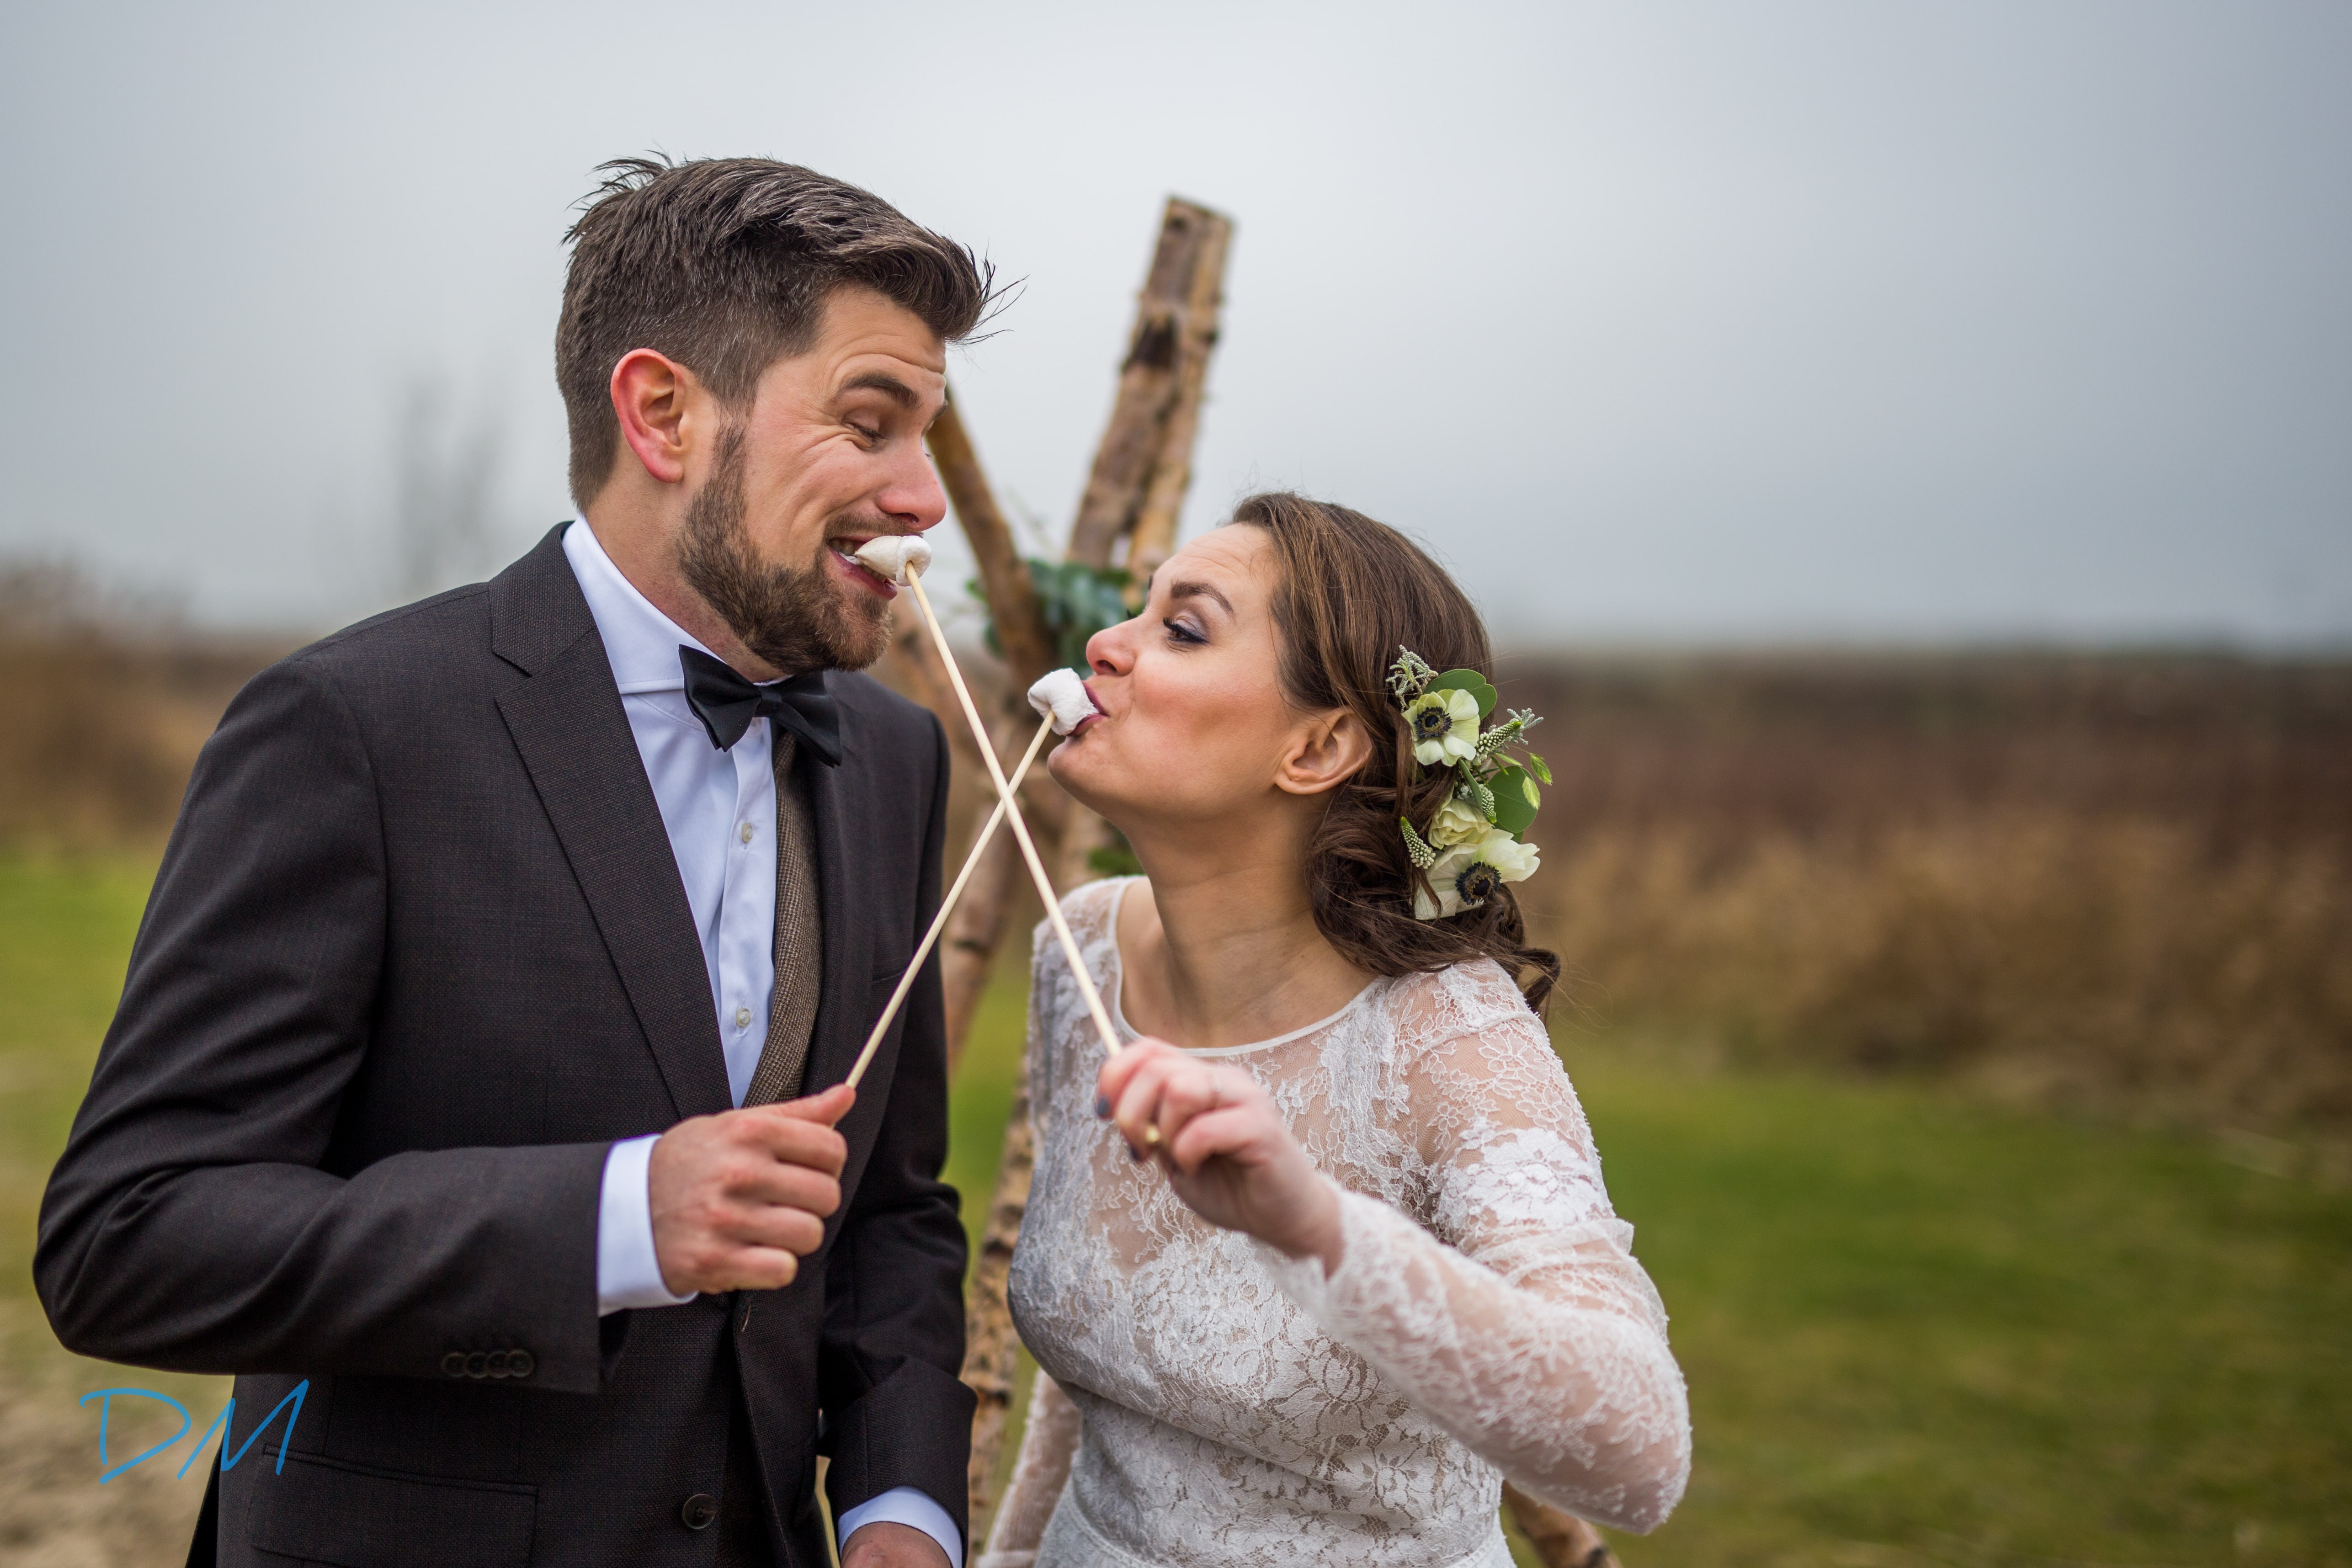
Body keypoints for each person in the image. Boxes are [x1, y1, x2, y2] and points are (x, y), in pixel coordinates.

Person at [37, 157, 986, 1568]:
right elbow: (131, 1237)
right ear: (662, 412)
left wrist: (904, 1506)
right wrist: (612, 1216)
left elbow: (891, 1214)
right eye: (869, 425)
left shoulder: (898, 759)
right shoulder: (352, 728)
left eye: (930, 437)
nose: (925, 499)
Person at [977, 494, 1692, 1568]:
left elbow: (1638, 1455)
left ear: (1315, 748)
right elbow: (1096, 1393)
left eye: (1181, 627)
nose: (1103, 647)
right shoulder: (1077, 954)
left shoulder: (1446, 1038)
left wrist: (1312, 1227)